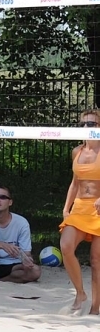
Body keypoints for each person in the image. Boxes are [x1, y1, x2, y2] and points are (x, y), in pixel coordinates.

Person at [60, 108, 100, 313]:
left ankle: (95, 308)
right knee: (66, 246)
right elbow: (75, 183)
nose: (86, 127)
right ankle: (80, 293)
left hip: (99, 210)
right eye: (83, 124)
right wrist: (66, 208)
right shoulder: (77, 151)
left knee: (96, 260)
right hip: (80, 208)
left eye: (91, 124)